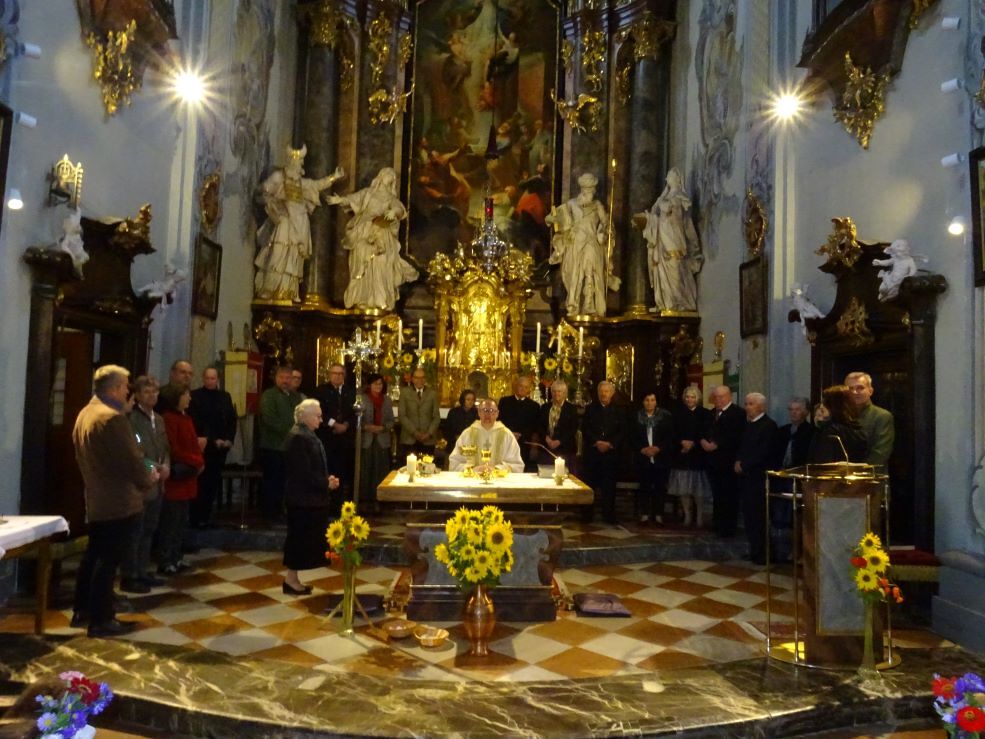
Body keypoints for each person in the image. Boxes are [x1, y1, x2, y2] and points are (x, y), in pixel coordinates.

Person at [72, 365, 158, 637]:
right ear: (114, 388)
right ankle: (102, 619)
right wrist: (149, 478)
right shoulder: (112, 419)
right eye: (125, 386)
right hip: (117, 500)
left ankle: (83, 609)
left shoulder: (86, 413)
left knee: (94, 556)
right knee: (107, 561)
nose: (127, 391)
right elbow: (130, 460)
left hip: (98, 498)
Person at [253, 144, 345, 302]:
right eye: (299, 161)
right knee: (278, 253)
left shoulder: (302, 183)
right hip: (284, 221)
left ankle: (288, 290)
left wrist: (334, 177)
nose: (301, 165)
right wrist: (271, 201)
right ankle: (270, 288)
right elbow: (262, 191)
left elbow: (317, 185)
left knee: (293, 257)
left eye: (302, 161)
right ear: (292, 162)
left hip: (300, 223)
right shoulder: (278, 177)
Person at [326, 166, 419, 311]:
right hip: (364, 230)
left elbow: (400, 210)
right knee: (361, 256)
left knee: (381, 261)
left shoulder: (391, 198)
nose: (390, 177)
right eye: (388, 174)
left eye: (392, 176)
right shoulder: (368, 193)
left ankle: (379, 299)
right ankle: (362, 298)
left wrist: (393, 212)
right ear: (381, 176)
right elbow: (352, 199)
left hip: (382, 231)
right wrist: (339, 200)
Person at [282, 399, 340, 595]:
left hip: (307, 498)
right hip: (302, 500)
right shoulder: (298, 438)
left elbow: (312, 467)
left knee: (301, 540)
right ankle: (291, 581)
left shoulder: (305, 434)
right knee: (299, 540)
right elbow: (302, 473)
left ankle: (292, 579)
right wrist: (326, 483)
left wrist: (326, 479)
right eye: (318, 416)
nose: (321, 420)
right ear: (304, 417)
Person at [546, 172, 620, 317]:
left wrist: (606, 230)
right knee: (575, 274)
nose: (590, 191)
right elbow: (553, 217)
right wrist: (554, 220)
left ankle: (589, 304)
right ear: (582, 189)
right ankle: (574, 305)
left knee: (590, 271)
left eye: (592, 188)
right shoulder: (571, 204)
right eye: (588, 188)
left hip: (591, 242)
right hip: (575, 243)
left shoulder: (597, 205)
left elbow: (606, 223)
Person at [122, 375, 170, 594]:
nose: (152, 395)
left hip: (158, 482)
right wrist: (155, 466)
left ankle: (142, 570)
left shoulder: (158, 419)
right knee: (136, 531)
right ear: (138, 396)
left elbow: (165, 447)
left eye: (155, 391)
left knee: (150, 528)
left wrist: (166, 465)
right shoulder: (132, 420)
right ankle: (130, 574)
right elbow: (136, 450)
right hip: (142, 481)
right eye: (147, 392)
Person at [634, 167, 703, 312]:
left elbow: (669, 210)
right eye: (668, 176)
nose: (668, 179)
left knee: (675, 268)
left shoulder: (680, 197)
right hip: (662, 240)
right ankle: (665, 302)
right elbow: (657, 214)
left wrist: (660, 205)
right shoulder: (664, 197)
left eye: (671, 176)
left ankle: (678, 302)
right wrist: (648, 219)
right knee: (661, 269)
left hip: (674, 239)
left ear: (678, 179)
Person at [158, 385, 203, 576]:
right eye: (186, 395)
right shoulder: (169, 419)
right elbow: (173, 449)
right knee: (171, 522)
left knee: (181, 521)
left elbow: (192, 443)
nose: (189, 398)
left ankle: (176, 556)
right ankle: (166, 560)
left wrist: (199, 459)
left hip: (188, 477)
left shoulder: (186, 418)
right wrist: (196, 461)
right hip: (177, 478)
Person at [188, 367, 237, 529]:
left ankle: (207, 515)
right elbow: (197, 422)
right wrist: (213, 439)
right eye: (207, 378)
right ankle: (196, 517)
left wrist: (229, 439)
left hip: (220, 448)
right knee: (201, 483)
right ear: (203, 378)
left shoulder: (225, 396)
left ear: (218, 380)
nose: (210, 381)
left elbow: (231, 419)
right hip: (204, 446)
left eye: (213, 378)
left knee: (213, 483)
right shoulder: (195, 396)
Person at [734, 393, 778, 565]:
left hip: (759, 478)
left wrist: (744, 464)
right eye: (746, 404)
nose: (747, 407)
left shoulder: (768, 426)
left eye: (751, 404)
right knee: (749, 516)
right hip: (747, 478)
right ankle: (755, 550)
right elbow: (742, 446)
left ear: (761, 406)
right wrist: (738, 461)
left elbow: (764, 452)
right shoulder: (748, 424)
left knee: (759, 517)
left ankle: (763, 553)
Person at [771, 396, 814, 561]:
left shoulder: (811, 432)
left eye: (797, 409)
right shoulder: (783, 431)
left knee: (797, 515)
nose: (793, 413)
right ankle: (780, 550)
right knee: (779, 513)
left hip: (799, 478)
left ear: (805, 412)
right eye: (791, 409)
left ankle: (797, 551)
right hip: (781, 477)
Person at [258, 366, 303, 521]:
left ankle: (282, 511)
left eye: (288, 378)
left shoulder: (295, 396)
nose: (285, 380)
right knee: (273, 481)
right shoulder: (269, 395)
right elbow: (269, 419)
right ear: (276, 378)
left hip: (290, 447)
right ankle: (270, 513)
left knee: (286, 481)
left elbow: (301, 415)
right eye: (282, 377)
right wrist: (292, 431)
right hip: (273, 446)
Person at [700, 385, 745, 538]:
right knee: (717, 494)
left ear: (729, 396)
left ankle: (728, 527)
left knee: (729, 495)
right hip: (712, 461)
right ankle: (717, 523)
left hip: (728, 461)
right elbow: (703, 430)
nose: (718, 400)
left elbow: (736, 435)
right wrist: (703, 441)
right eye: (716, 397)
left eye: (721, 397)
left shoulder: (738, 413)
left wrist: (717, 444)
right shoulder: (711, 413)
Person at [582, 381, 627, 524]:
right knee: (590, 485)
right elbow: (585, 429)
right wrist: (597, 442)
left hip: (610, 454)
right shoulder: (590, 409)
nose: (603, 394)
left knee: (609, 486)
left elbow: (622, 431)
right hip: (593, 453)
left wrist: (610, 444)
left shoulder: (619, 410)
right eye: (601, 391)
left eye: (606, 391)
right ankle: (587, 515)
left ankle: (609, 515)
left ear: (612, 393)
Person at [312, 363, 356, 507]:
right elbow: (320, 411)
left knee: (343, 472)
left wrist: (346, 425)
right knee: (329, 470)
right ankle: (327, 504)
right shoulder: (321, 391)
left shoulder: (350, 392)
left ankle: (342, 505)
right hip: (328, 437)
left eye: (340, 374)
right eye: (334, 373)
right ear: (329, 375)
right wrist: (334, 424)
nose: (337, 376)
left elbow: (354, 412)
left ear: (344, 376)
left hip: (346, 439)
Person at [667, 386, 712, 527]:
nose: (689, 399)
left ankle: (699, 516)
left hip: (698, 455)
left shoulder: (705, 413)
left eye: (692, 397)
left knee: (698, 490)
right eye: (687, 397)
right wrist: (682, 442)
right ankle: (687, 514)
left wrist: (693, 444)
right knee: (683, 488)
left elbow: (707, 432)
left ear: (697, 398)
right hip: (681, 455)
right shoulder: (677, 413)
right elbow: (672, 432)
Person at [632, 391, 675, 526]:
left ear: (656, 402)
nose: (649, 403)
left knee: (660, 486)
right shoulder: (636, 416)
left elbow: (670, 437)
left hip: (661, 457)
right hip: (643, 457)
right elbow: (631, 437)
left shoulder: (665, 416)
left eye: (652, 400)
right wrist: (642, 449)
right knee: (644, 486)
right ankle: (645, 514)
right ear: (643, 402)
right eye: (647, 400)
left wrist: (658, 448)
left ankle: (658, 515)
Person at [448, 398, 524, 472]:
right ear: (479, 412)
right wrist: (473, 469)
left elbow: (516, 464)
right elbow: (455, 462)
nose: (488, 414)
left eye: (491, 410)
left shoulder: (506, 435)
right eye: (484, 410)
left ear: (497, 413)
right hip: (474, 478)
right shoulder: (468, 434)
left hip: (498, 479)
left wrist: (497, 469)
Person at [359, 373, 394, 511]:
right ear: (369, 385)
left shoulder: (387, 400)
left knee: (381, 470)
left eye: (380, 384)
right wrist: (366, 427)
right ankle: (364, 501)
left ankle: (379, 501)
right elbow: (356, 419)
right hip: (367, 440)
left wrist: (383, 428)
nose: (378, 386)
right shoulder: (362, 399)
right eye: (375, 383)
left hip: (382, 440)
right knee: (366, 470)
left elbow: (391, 421)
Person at [844, 371, 894, 469]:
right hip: (841, 475)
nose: (854, 392)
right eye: (850, 389)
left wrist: (858, 471)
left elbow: (880, 453)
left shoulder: (882, 416)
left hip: (871, 475)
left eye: (860, 388)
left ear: (870, 391)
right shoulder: (841, 415)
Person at [808, 385, 869, 464]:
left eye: (825, 402)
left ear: (834, 405)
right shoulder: (859, 431)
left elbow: (821, 462)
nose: (821, 406)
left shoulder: (829, 431)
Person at [497, 375, 541, 471]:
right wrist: (510, 433)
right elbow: (499, 420)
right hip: (506, 440)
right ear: (516, 386)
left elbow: (535, 426)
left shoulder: (534, 406)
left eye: (526, 387)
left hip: (524, 443)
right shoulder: (504, 401)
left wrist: (521, 435)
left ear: (529, 390)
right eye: (521, 386)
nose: (522, 389)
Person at [398, 367, 440, 460]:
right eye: (417, 377)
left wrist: (429, 433)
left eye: (422, 377)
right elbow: (402, 415)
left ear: (425, 379)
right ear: (412, 379)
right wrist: (415, 432)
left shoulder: (432, 393)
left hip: (428, 439)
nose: (420, 380)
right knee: (409, 467)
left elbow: (436, 417)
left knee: (427, 466)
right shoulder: (405, 392)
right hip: (409, 439)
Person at [539, 379, 579, 474]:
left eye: (559, 391)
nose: (556, 394)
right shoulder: (544, 407)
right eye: (554, 391)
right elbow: (539, 426)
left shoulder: (571, 409)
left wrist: (559, 441)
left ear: (565, 393)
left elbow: (573, 429)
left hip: (565, 449)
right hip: (547, 449)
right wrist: (547, 439)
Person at [444, 389, 478, 455]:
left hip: (471, 447)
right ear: (463, 400)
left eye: (472, 400)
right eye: (468, 399)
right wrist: (455, 437)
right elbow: (446, 429)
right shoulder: (454, 412)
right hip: (454, 445)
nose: (470, 402)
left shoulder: (477, 413)